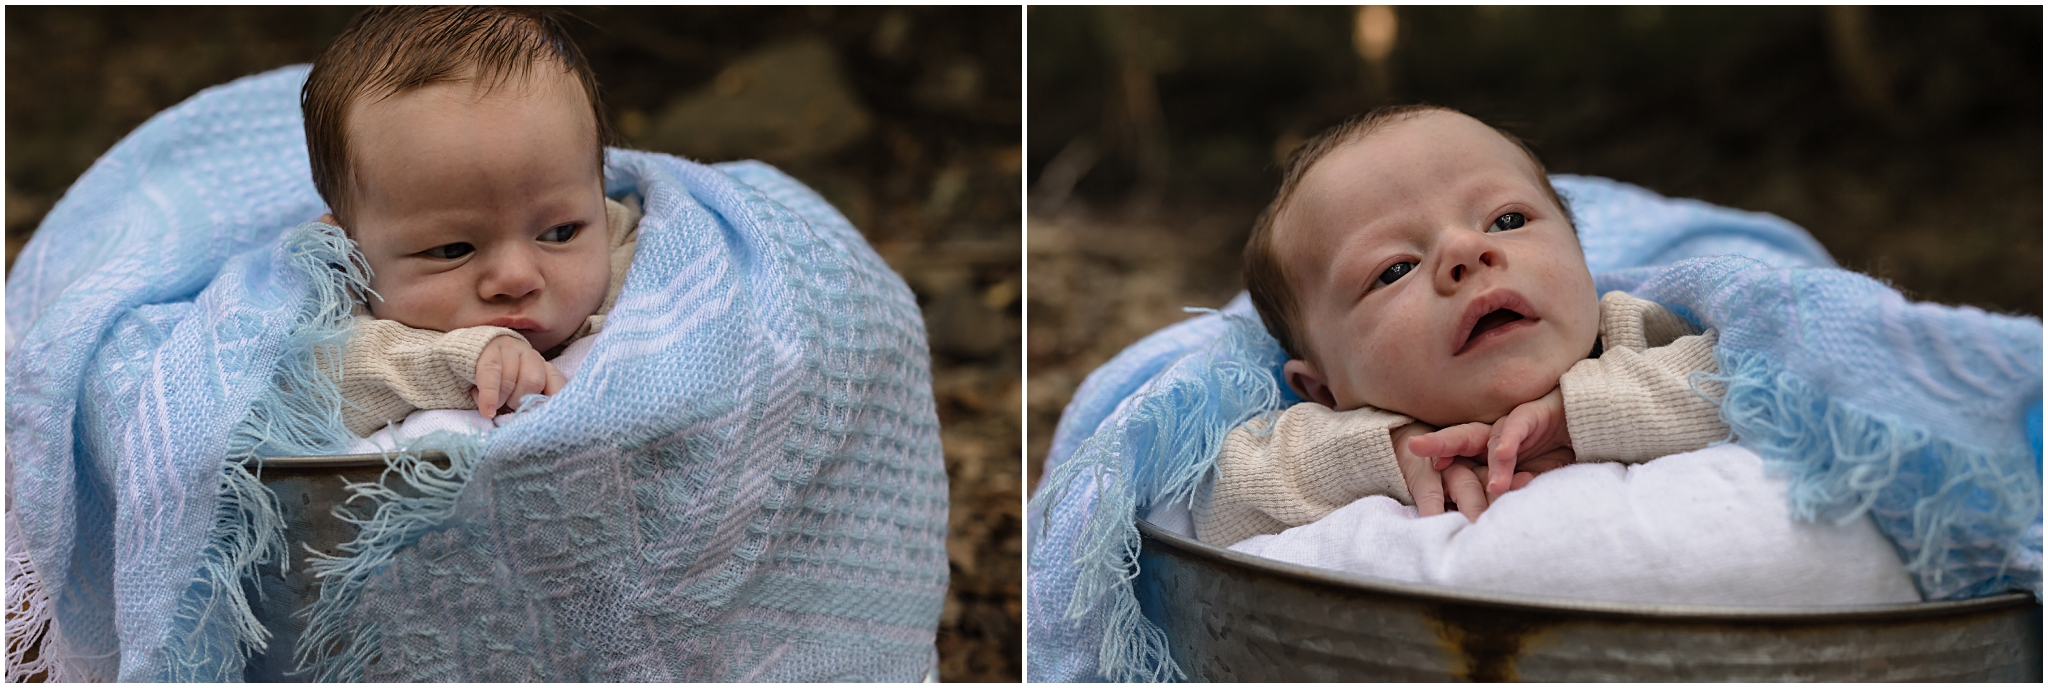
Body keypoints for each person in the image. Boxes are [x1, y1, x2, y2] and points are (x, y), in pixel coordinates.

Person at [1195, 105, 1729, 546]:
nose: (1467, 249)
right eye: (1395, 270)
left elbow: (1763, 383)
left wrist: (1579, 413)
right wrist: (1388, 453)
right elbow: (1214, 505)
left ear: (1582, 258)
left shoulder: (1637, 333)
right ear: (1325, 389)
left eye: (1508, 220)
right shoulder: (1323, 433)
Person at [300, 6, 639, 436]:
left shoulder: (645, 259)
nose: (517, 279)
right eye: (452, 250)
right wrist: (462, 359)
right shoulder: (332, 313)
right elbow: (318, 388)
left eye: (559, 233)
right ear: (350, 254)